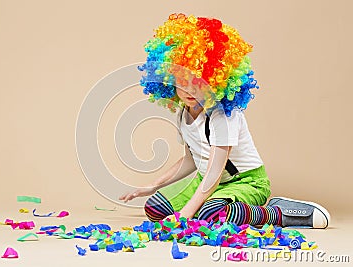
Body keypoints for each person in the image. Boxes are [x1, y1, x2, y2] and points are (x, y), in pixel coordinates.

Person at [119, 13, 330, 228]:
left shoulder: (222, 114)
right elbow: (192, 160)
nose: (190, 90)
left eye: (199, 82)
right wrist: (153, 185)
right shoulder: (183, 112)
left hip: (246, 182)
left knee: (212, 214)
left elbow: (214, 170)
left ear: (214, 80)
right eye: (183, 81)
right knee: (155, 209)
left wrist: (186, 214)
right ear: (170, 81)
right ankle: (213, 205)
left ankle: (277, 213)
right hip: (207, 182)